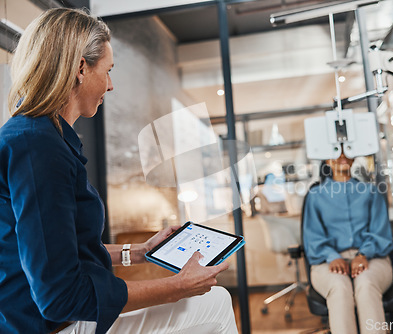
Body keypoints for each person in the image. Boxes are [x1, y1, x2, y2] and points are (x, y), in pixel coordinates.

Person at [0, 8, 237, 334]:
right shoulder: (36, 146)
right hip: (47, 327)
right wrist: (178, 286)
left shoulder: (46, 139)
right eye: (108, 71)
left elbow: (60, 250)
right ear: (80, 67)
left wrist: (138, 252)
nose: (110, 86)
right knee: (215, 303)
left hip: (58, 319)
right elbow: (59, 296)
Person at [302, 149, 393, 334]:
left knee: (366, 284)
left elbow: (380, 233)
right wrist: (332, 256)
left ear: (353, 157)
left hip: (373, 258)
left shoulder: (371, 191)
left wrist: (363, 254)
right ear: (327, 160)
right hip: (326, 261)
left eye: (346, 151)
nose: (342, 156)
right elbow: (312, 237)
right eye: (336, 152)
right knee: (339, 286)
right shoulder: (316, 195)